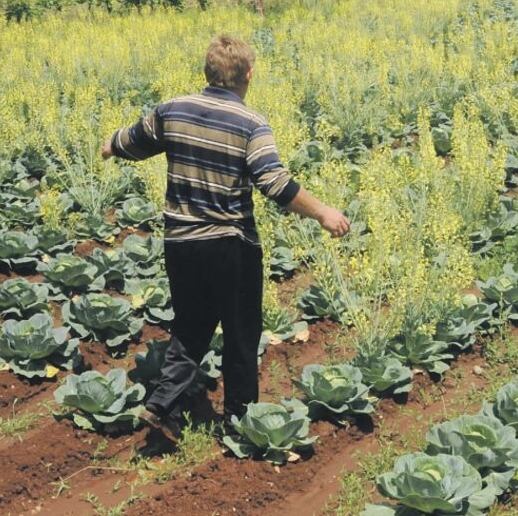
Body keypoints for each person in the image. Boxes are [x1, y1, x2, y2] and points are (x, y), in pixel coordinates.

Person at [102, 34, 349, 441]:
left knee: (191, 325)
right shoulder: (251, 123)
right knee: (240, 331)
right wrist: (323, 212)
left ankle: (162, 405)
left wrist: (111, 145)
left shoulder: (172, 109)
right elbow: (272, 180)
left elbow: (133, 141)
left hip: (180, 242)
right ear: (248, 75)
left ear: (208, 72)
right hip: (229, 245)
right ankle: (240, 421)